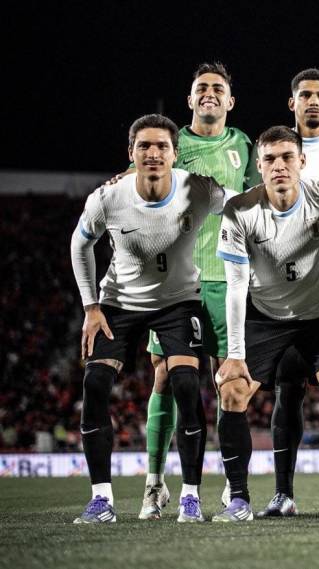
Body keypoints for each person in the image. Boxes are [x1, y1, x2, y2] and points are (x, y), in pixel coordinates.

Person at [70, 114, 227, 523]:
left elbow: (246, 208)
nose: (153, 153)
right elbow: (79, 243)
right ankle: (102, 499)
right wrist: (91, 307)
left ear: (176, 154)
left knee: (187, 384)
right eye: (144, 146)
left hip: (179, 301)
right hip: (120, 302)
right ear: (131, 154)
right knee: (96, 382)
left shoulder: (199, 189)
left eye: (161, 146)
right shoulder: (108, 197)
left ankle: (190, 496)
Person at [213, 126, 319, 521]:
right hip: (264, 317)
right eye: (270, 159)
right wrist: (234, 355)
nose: (279, 166)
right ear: (259, 166)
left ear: (302, 161)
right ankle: (238, 500)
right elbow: (235, 287)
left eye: (287, 157)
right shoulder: (240, 210)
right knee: (231, 390)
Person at [137, 61, 258, 521]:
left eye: (218, 88)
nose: (209, 93)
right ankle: (155, 484)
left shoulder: (244, 145)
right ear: (189, 99)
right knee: (165, 377)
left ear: (230, 101)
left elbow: (255, 206)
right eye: (201, 88)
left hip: (228, 278)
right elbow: (137, 190)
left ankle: (233, 484)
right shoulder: (169, 143)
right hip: (176, 283)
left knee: (231, 380)